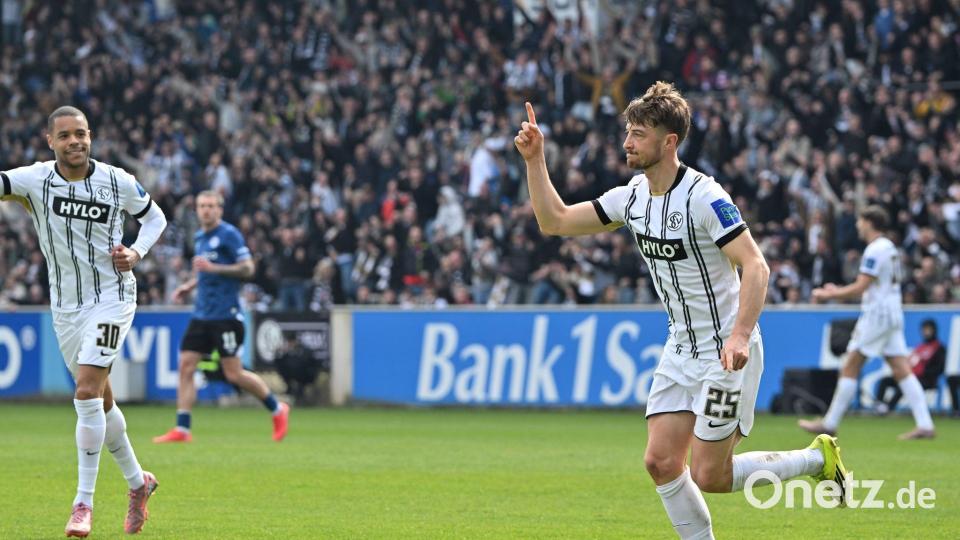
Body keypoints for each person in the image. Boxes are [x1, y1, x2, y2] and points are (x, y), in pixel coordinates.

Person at [515, 82, 846, 540]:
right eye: (627, 132)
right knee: (660, 462)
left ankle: (815, 459)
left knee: (711, 475)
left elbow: (756, 265)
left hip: (727, 354)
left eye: (638, 134)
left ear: (669, 142)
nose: (627, 142)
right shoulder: (631, 198)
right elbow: (555, 221)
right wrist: (536, 161)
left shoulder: (705, 197)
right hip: (681, 349)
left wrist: (739, 334)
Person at [1, 106, 166, 537]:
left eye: (81, 134)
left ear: (90, 136)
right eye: (66, 136)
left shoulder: (117, 180)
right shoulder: (35, 180)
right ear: (50, 141)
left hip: (112, 296)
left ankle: (82, 504)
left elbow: (155, 217)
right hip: (66, 309)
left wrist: (136, 252)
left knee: (86, 391)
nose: (75, 142)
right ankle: (138, 482)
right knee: (101, 401)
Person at [153, 190, 290, 443]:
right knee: (185, 366)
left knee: (233, 374)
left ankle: (276, 408)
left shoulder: (229, 234)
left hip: (226, 316)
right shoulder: (199, 236)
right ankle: (182, 428)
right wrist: (190, 285)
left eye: (211, 206)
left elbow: (248, 268)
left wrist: (214, 268)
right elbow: (206, 272)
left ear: (220, 209)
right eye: (202, 205)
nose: (206, 210)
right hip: (201, 314)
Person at [799, 206, 936, 440]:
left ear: (870, 222)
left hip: (877, 315)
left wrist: (829, 294)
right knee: (901, 368)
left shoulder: (875, 249)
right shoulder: (890, 247)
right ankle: (925, 425)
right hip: (893, 312)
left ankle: (830, 423)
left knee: (851, 364)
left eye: (860, 221)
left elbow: (861, 286)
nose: (857, 226)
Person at [874, 319, 945, 414]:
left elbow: (939, 368)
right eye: (924, 329)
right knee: (885, 381)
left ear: (934, 330)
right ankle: (879, 406)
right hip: (911, 375)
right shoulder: (920, 347)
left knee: (904, 384)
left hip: (926, 379)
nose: (926, 332)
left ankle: (889, 408)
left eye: (928, 329)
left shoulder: (939, 348)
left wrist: (922, 372)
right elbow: (909, 362)